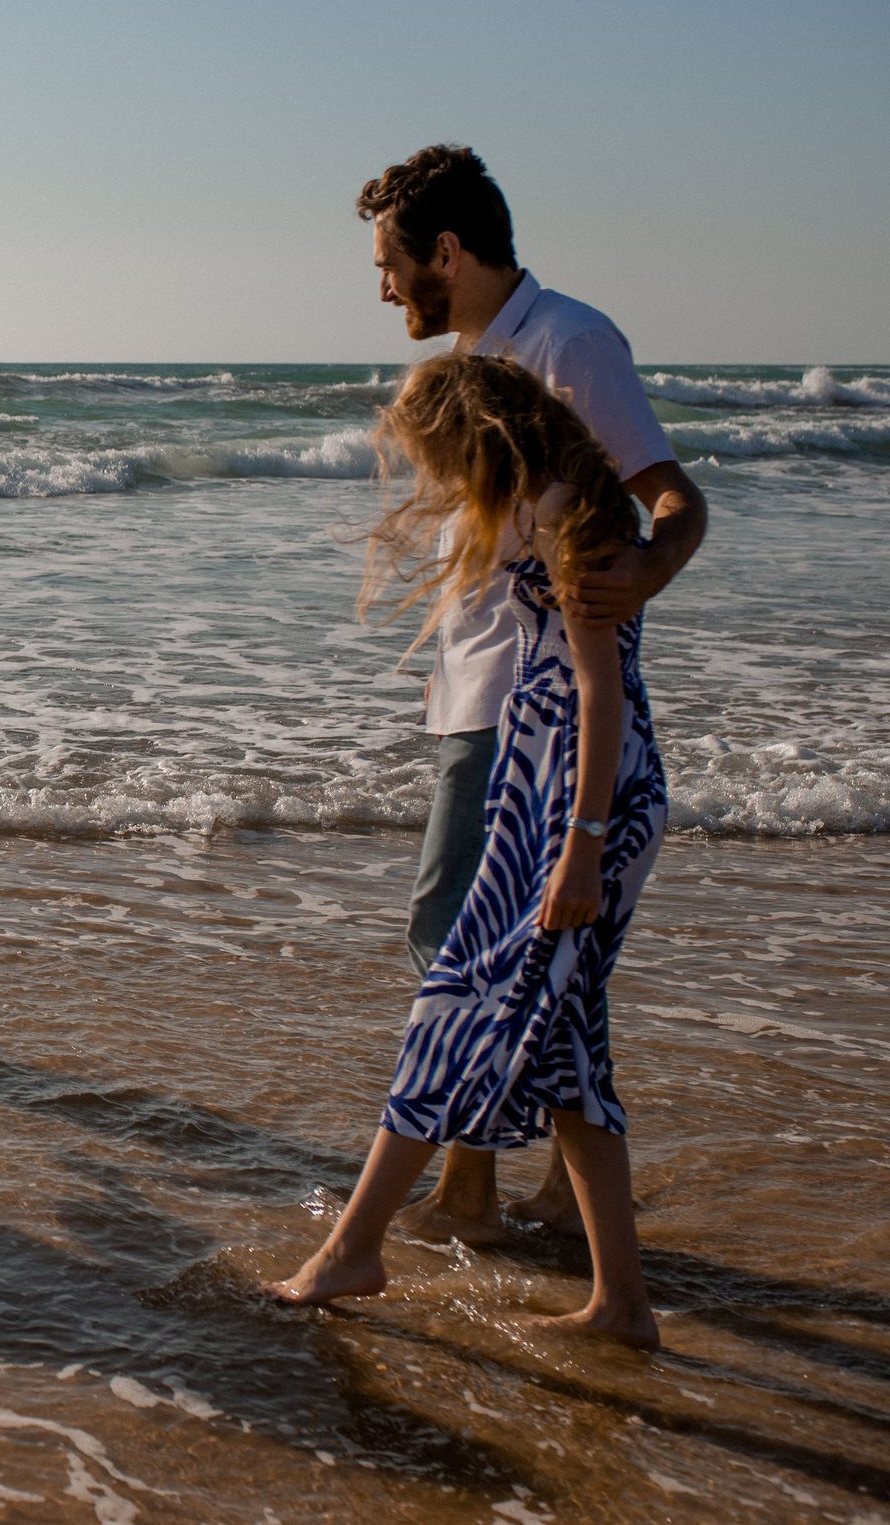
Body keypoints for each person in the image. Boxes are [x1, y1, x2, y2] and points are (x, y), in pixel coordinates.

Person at [269, 354, 669, 1347]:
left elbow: (598, 692)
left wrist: (576, 846)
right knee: (569, 1046)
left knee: (454, 1001)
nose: (433, 481)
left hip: (577, 795)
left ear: (473, 438)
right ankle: (622, 1305)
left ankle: (352, 1249)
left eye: (437, 459)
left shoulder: (572, 517)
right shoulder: (547, 498)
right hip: (553, 782)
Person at [359, 144, 705, 1241]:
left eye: (389, 261)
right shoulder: (479, 352)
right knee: (526, 950)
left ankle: (472, 1189)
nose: (380, 285)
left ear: (446, 253)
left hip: (532, 704)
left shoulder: (568, 342)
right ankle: (543, 1188)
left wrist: (642, 573)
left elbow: (671, 499)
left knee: (454, 935)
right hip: (480, 683)